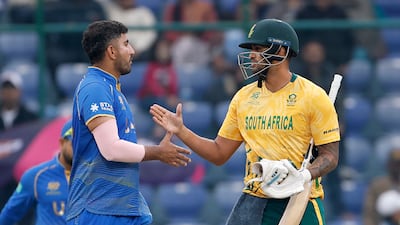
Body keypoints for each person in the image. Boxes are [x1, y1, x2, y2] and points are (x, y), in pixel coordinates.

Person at [150, 18, 341, 225]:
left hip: (299, 200)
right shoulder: (243, 98)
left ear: (281, 52)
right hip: (254, 200)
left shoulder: (313, 96)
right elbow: (219, 153)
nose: (251, 55)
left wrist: (303, 175)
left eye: (259, 48)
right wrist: (181, 130)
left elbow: (330, 155)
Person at [66, 20, 191, 225]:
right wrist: (158, 152)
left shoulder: (111, 89)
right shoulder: (95, 87)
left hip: (120, 207)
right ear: (112, 52)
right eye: (126, 43)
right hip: (97, 210)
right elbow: (111, 150)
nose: (132, 51)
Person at [0, 119, 73, 225]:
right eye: (73, 144)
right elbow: (10, 214)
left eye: (83, 144)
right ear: (62, 143)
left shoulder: (95, 176)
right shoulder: (36, 176)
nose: (80, 149)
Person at [363, 148, 400, 225]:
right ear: (389, 164)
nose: (397, 167)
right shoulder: (377, 185)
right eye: (395, 164)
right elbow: (369, 213)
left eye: (399, 164)